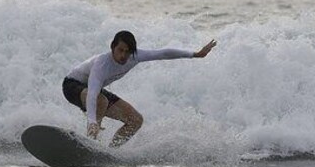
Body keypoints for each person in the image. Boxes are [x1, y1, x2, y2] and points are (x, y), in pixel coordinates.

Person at [63, 30, 216, 147]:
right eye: (120, 50)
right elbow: (93, 93)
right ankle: (91, 142)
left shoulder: (135, 56)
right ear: (112, 48)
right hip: (72, 85)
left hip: (93, 92)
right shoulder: (101, 64)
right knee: (100, 100)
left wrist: (195, 54)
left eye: (127, 51)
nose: (123, 55)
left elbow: (163, 53)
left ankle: (109, 151)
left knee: (135, 120)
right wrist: (92, 121)